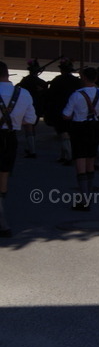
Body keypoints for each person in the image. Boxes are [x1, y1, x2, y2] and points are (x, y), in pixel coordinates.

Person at [0, 61, 37, 237]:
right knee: (4, 176)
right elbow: (30, 119)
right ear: (7, 74)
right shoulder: (23, 93)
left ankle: (2, 221)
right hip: (9, 138)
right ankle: (2, 221)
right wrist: (13, 120)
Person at [62, 67, 99, 211]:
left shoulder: (76, 95)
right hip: (95, 126)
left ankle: (84, 198)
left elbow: (66, 115)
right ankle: (89, 193)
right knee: (91, 159)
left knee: (80, 160)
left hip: (79, 127)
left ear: (84, 78)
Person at [45, 58, 80, 165]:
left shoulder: (57, 80)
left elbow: (50, 95)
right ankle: (63, 155)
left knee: (63, 133)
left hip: (59, 110)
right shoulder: (77, 81)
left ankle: (68, 156)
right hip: (74, 110)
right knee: (68, 133)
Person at [16, 60, 47, 158]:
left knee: (29, 128)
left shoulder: (25, 80)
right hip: (37, 107)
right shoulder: (42, 83)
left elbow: (17, 88)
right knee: (32, 127)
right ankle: (31, 148)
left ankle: (32, 151)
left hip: (28, 106)